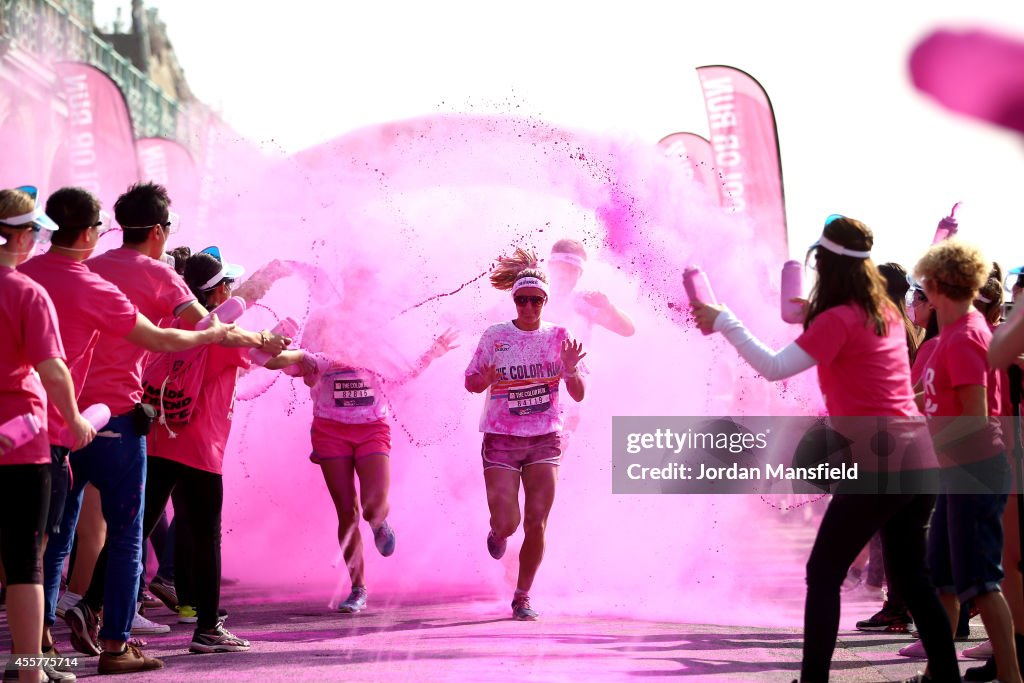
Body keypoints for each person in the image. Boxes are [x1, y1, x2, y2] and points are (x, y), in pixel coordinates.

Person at [693, 215, 960, 683]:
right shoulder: (887, 312)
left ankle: (814, 681)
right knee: (914, 581)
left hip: (879, 460)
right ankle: (946, 678)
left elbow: (774, 367)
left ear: (828, 264)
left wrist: (724, 321)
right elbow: (805, 315)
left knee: (824, 573)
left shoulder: (839, 319)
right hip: (918, 456)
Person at [39, 183, 286, 674]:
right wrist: (256, 332)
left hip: (64, 418)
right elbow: (204, 328)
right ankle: (116, 647)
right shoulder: (158, 278)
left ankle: (35, 652)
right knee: (130, 533)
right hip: (123, 421)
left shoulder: (82, 270)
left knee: (54, 538)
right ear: (157, 231)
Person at [301, 295, 458, 614]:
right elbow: (306, 374)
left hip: (371, 425)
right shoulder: (321, 319)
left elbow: (402, 372)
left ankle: (379, 522)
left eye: (365, 277)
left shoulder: (378, 320)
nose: (359, 283)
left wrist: (432, 353)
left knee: (373, 508)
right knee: (347, 510)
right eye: (353, 275)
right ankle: (358, 588)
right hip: (330, 428)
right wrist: (318, 368)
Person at [909, 240, 1020, 683]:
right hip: (957, 474)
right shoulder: (949, 337)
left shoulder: (967, 336)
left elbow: (976, 417)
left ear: (938, 285)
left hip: (974, 471)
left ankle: (1012, 677)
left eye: (923, 286)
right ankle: (941, 673)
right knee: (945, 580)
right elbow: (933, 394)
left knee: (981, 582)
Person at [1, 186, 96, 683]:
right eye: (35, 232)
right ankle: (32, 672)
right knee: (25, 563)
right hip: (21, 444)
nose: (39, 240)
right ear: (15, 238)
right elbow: (53, 370)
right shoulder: (25, 293)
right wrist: (77, 419)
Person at [465, 248, 587, 621]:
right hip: (501, 439)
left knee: (537, 520)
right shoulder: (495, 335)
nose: (529, 307)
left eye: (536, 300)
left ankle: (522, 596)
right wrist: (483, 379)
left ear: (545, 301)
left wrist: (569, 371)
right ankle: (498, 533)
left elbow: (580, 393)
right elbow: (471, 382)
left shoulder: (560, 337)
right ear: (514, 300)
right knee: (509, 522)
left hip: (544, 439)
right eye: (522, 300)